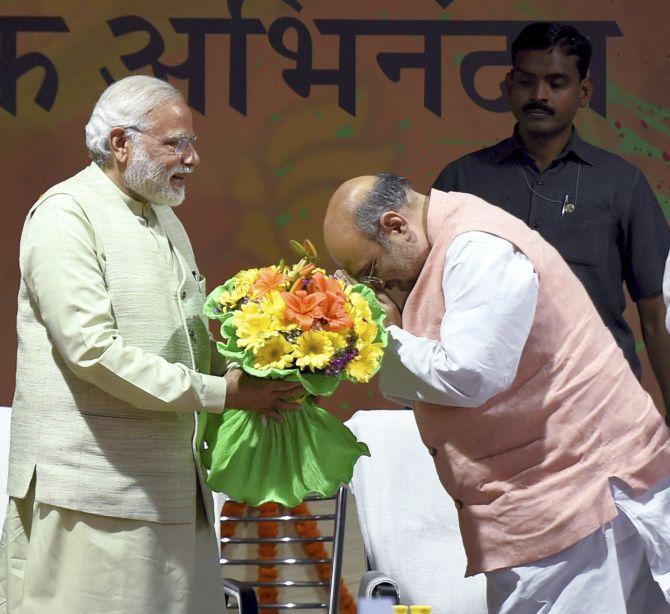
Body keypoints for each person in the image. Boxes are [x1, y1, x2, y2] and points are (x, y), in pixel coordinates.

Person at [0, 75, 303, 614]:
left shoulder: (161, 215)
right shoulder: (66, 215)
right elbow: (91, 349)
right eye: (176, 143)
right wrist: (222, 393)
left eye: (192, 142)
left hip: (170, 488)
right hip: (93, 495)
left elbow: (187, 341)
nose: (193, 158)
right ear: (120, 143)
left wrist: (275, 366)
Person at [323, 173, 670, 613]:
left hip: (583, 494)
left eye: (369, 272)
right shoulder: (441, 246)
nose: (372, 287)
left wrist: (382, 333)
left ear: (396, 226)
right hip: (543, 502)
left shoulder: (478, 247)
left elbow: (470, 375)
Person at [432, 22, 670, 421]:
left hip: (598, 401)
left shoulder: (621, 183)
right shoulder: (462, 181)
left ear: (584, 92)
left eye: (556, 83)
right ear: (508, 86)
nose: (539, 95)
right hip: (487, 410)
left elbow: (656, 312)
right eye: (527, 81)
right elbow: (426, 303)